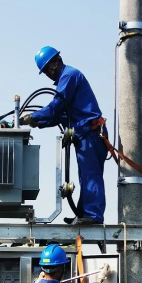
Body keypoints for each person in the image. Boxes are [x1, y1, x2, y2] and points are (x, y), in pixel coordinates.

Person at [20, 46, 107, 224]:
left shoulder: (69, 76)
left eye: (46, 70)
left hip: (90, 133)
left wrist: (33, 117)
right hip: (85, 134)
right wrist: (38, 122)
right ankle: (85, 214)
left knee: (90, 175)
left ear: (54, 63)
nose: (47, 75)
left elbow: (56, 107)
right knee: (86, 175)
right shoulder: (66, 78)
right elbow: (61, 115)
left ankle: (93, 215)